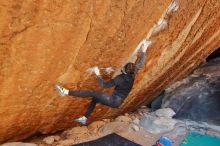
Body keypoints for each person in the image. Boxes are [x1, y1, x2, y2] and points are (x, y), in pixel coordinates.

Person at [55, 39, 152, 125]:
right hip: (118, 101)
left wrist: (97, 74)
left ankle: (65, 92)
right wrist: (144, 49)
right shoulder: (133, 73)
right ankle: (84, 118)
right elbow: (140, 63)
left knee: (92, 93)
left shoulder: (120, 78)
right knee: (95, 99)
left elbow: (104, 85)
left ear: (125, 70)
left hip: (113, 100)